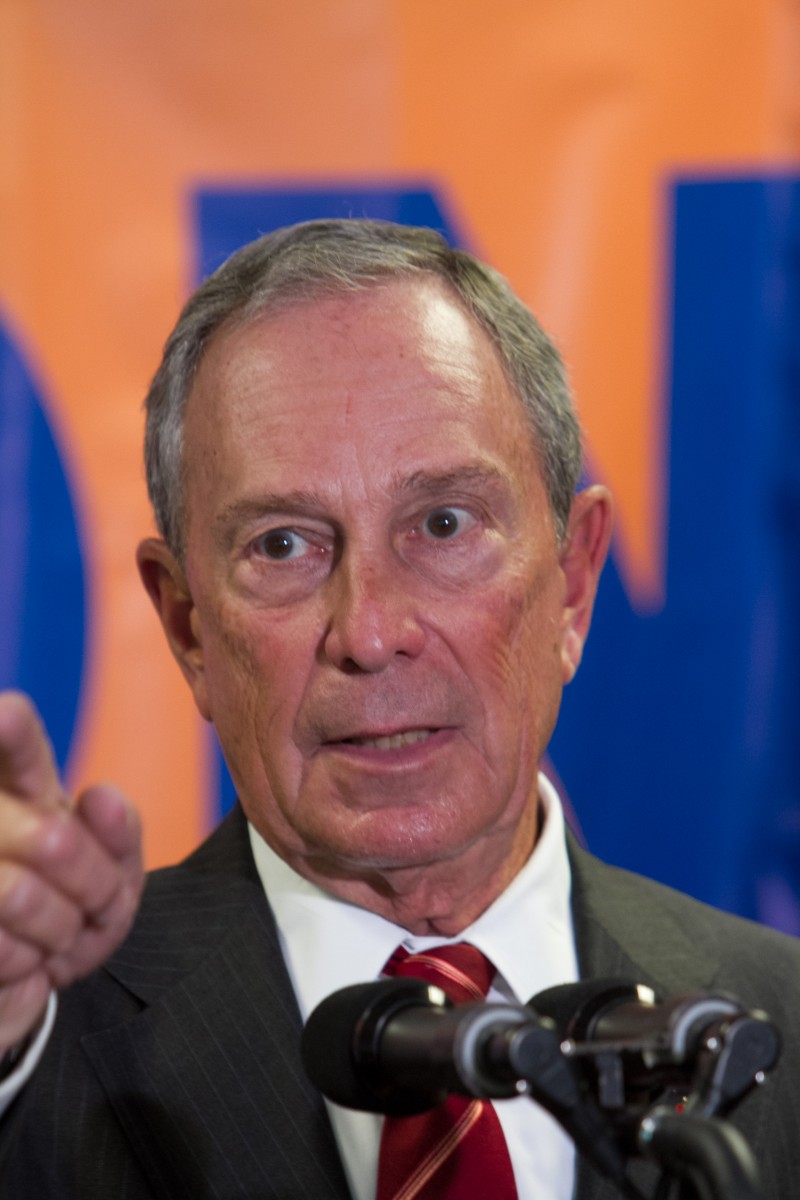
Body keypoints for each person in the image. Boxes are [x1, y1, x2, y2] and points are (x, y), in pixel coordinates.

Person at [0, 219, 798, 1200]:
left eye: (442, 524)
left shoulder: (777, 1023)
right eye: (284, 546)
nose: (369, 633)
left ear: (574, 585)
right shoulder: (29, 1035)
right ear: (187, 627)